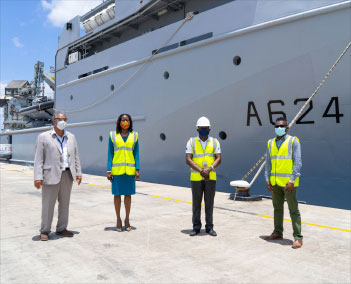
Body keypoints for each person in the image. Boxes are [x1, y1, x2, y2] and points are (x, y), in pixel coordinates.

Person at [34, 112, 82, 241]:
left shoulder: (71, 137)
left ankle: (61, 228)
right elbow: (38, 159)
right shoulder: (43, 137)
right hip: (50, 174)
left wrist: (78, 173)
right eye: (61, 119)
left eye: (65, 119)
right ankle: (44, 230)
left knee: (65, 203)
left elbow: (76, 156)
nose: (63, 122)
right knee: (48, 204)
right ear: (54, 121)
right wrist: (38, 177)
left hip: (67, 174)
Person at [264, 117, 303, 249]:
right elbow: (268, 163)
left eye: (282, 126)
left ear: (286, 128)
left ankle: (298, 238)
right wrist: (267, 179)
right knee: (277, 209)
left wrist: (292, 180)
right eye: (277, 126)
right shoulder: (270, 143)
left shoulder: (293, 141)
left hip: (288, 184)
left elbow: (298, 162)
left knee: (293, 210)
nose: (279, 128)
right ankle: (277, 232)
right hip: (275, 183)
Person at [185, 117, 221, 237]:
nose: (204, 130)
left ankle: (209, 227)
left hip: (210, 177)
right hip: (196, 178)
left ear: (209, 129)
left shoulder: (215, 142)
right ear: (197, 129)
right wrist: (201, 170)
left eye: (206, 128)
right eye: (202, 128)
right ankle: (196, 227)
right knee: (196, 203)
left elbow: (219, 158)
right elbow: (188, 159)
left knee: (209, 203)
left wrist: (209, 169)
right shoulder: (191, 141)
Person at [106, 114, 140, 232]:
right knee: (117, 195)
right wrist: (108, 170)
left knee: (128, 195)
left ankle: (127, 219)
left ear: (130, 122)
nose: (125, 122)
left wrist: (137, 169)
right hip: (117, 171)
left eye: (127, 120)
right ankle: (118, 219)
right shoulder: (112, 135)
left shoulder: (134, 136)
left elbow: (136, 153)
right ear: (119, 122)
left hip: (129, 171)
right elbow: (110, 154)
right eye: (123, 120)